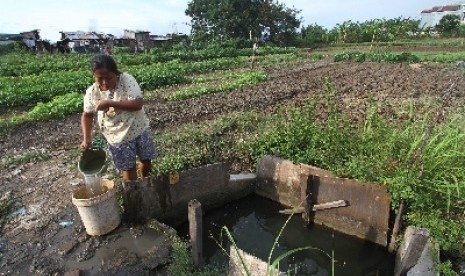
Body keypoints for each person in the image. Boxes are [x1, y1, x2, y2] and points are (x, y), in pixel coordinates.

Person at [80, 54, 157, 222]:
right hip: (116, 136)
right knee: (128, 169)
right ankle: (135, 200)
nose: (104, 83)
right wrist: (87, 139)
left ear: (116, 73)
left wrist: (110, 103)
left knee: (146, 160)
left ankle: (146, 184)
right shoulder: (92, 93)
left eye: (108, 78)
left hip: (138, 128)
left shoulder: (126, 80)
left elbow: (137, 104)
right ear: (94, 76)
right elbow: (87, 115)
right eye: (100, 79)